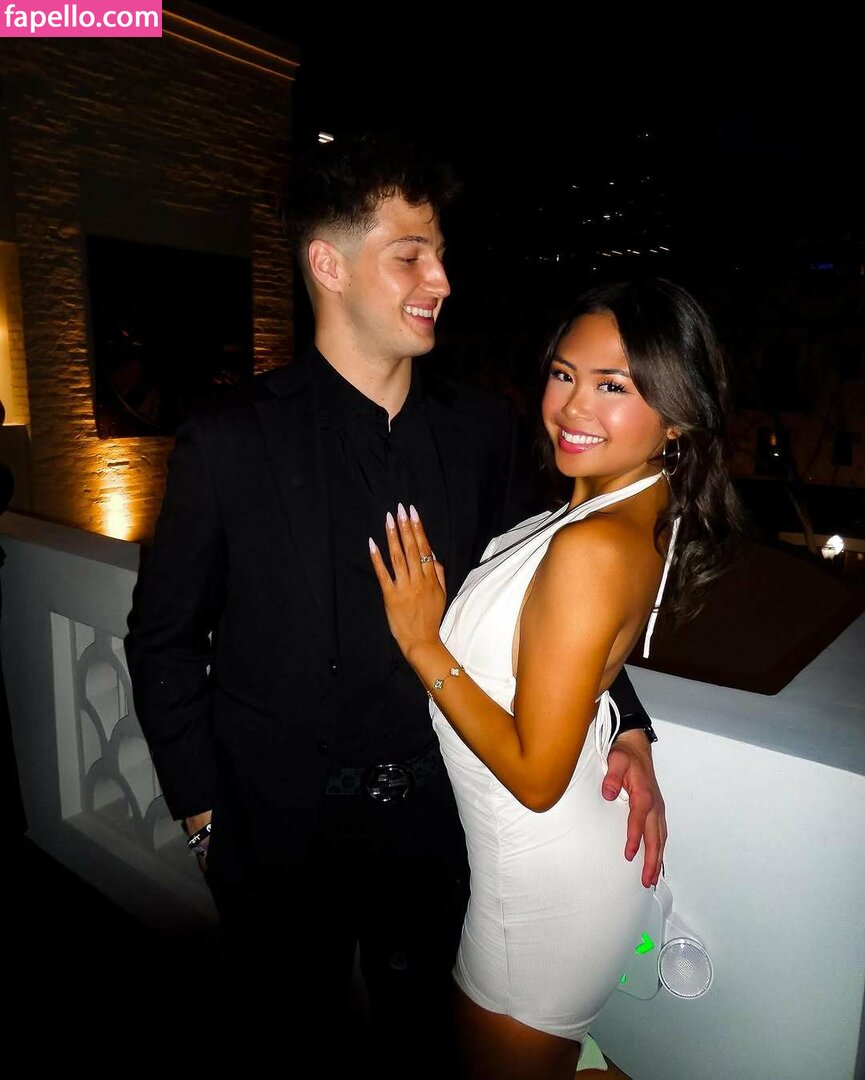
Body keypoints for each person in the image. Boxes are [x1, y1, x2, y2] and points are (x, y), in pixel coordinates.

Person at [123, 135, 666, 1073]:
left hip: (437, 828)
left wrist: (628, 722)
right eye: (410, 255)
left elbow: (545, 595)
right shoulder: (230, 438)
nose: (441, 280)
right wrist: (204, 817)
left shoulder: (484, 428)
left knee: (426, 1051)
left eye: (440, 255)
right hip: (275, 832)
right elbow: (163, 639)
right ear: (328, 266)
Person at [371, 277, 745, 1079]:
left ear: (676, 416)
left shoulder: (591, 545)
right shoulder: (615, 512)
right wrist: (631, 726)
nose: (574, 406)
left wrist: (422, 643)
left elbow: (536, 777)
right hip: (558, 861)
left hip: (537, 885)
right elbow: (577, 661)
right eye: (564, 373)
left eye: (614, 386)